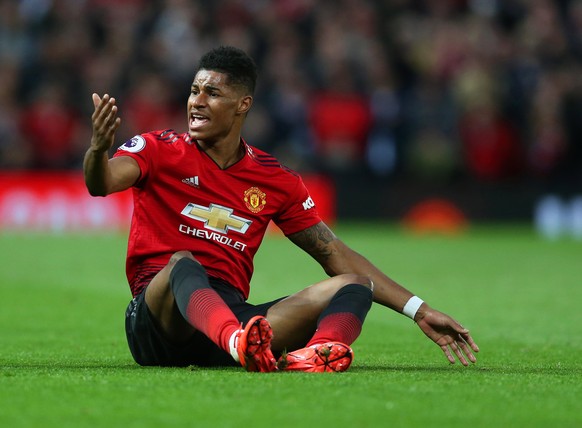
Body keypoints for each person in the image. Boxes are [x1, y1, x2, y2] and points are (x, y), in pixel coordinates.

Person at [84, 46, 479, 373]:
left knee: (356, 284)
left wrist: (420, 310)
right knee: (183, 264)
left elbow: (333, 254)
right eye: (194, 90)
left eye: (212, 93)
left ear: (243, 105)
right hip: (158, 321)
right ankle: (238, 342)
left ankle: (319, 354)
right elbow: (100, 183)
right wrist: (98, 149)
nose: (196, 102)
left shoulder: (273, 179)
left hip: (229, 321)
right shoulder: (159, 149)